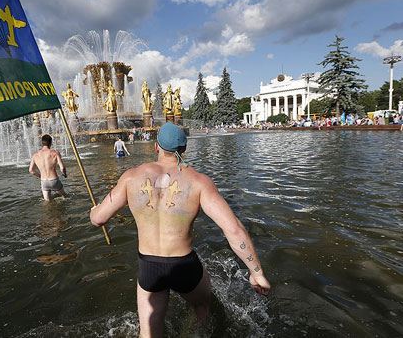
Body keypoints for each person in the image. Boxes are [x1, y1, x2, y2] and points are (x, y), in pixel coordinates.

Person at [90, 122, 270, 337]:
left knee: (148, 332)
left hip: (149, 266)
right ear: (183, 149)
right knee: (202, 309)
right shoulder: (199, 182)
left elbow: (99, 219)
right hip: (184, 265)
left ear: (156, 147)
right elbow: (233, 230)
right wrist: (256, 273)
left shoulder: (131, 177)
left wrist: (94, 210)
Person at [28, 134, 67, 201]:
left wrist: (40, 176)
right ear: (51, 142)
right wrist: (65, 174)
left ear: (42, 143)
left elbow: (31, 170)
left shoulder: (35, 155)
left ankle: (49, 211)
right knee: (65, 197)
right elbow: (62, 167)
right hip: (54, 180)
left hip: (44, 181)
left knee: (47, 202)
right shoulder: (55, 153)